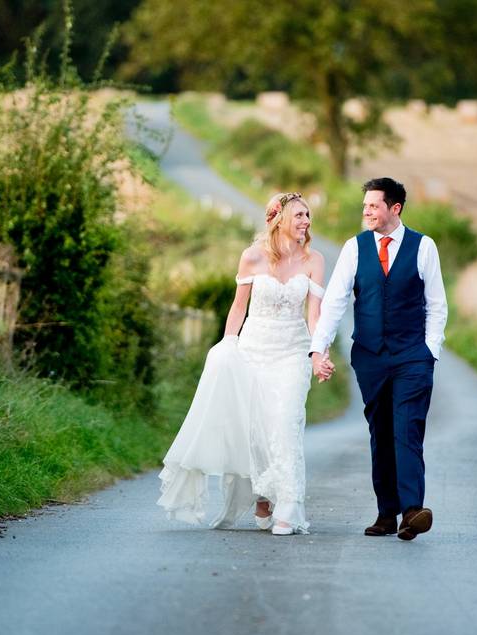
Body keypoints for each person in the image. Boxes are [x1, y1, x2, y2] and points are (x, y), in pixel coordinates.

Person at [158, 192, 326, 535]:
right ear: (279, 218)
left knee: (285, 422)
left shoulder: (314, 260)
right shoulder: (251, 258)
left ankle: (288, 508)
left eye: (308, 216)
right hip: (254, 349)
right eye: (299, 215)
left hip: (293, 351)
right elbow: (238, 308)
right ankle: (262, 498)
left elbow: (314, 314)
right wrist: (228, 344)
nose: (306, 222)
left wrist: (318, 353)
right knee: (256, 429)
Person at [309, 177, 447, 540]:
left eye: (373, 205)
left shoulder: (423, 246)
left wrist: (430, 349)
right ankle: (386, 513)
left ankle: (412, 511)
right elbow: (336, 301)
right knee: (380, 432)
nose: (366, 211)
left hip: (413, 357)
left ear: (394, 208)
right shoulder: (354, 248)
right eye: (365, 205)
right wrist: (318, 347)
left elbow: (436, 304)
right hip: (370, 356)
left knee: (408, 428)